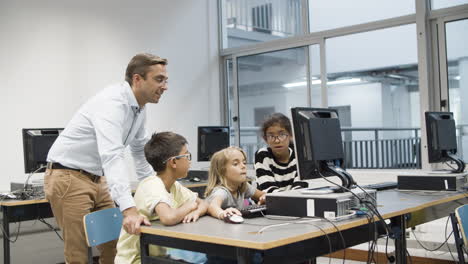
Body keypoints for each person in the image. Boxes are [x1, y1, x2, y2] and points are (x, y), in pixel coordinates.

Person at [45, 53, 168, 263]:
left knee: (116, 245)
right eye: (159, 79)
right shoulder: (112, 103)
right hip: (68, 176)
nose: (164, 86)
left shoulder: (139, 109)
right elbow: (112, 156)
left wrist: (159, 193)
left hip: (97, 178)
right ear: (137, 79)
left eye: (165, 80)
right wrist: (129, 210)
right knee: (78, 254)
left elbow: (140, 153)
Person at [115, 131, 208, 264]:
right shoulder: (152, 184)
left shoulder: (174, 185)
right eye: (187, 156)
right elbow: (168, 217)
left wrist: (197, 210)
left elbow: (204, 203)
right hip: (136, 259)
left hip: (156, 257)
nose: (189, 160)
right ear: (174, 162)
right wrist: (191, 206)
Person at [205, 146, 266, 221]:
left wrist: (264, 198)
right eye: (236, 164)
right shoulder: (221, 191)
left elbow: (263, 195)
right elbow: (212, 206)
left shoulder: (243, 186)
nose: (243, 166)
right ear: (222, 171)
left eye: (244, 162)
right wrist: (223, 214)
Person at [254, 113, 308, 193]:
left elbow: (300, 189)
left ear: (290, 135)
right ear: (265, 139)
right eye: (271, 136)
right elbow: (268, 189)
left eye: (282, 135)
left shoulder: (299, 156)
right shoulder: (263, 155)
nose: (277, 140)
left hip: (291, 201)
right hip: (268, 203)